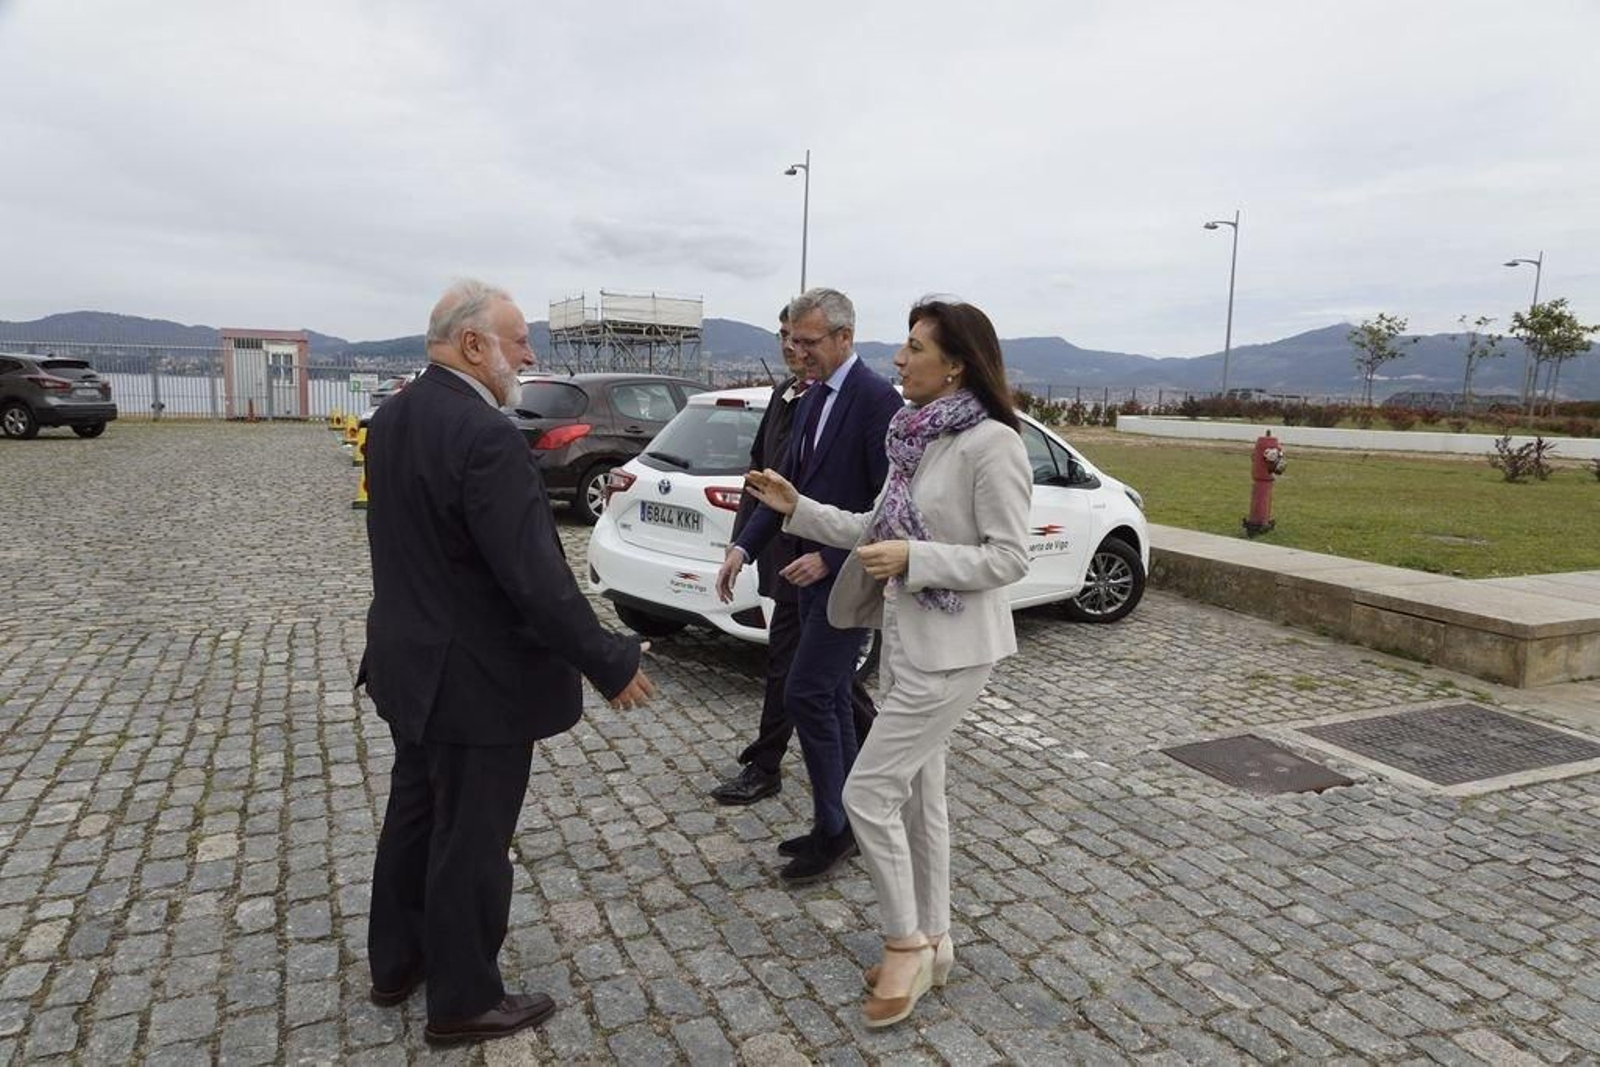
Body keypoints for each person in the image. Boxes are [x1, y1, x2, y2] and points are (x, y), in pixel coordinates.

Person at [358, 279, 654, 1046]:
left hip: (408, 662)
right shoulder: (486, 435)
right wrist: (609, 661)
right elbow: (535, 579)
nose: (530, 353)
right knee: (471, 840)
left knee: (415, 814)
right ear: (472, 345)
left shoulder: (391, 417)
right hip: (474, 681)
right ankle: (461, 999)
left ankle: (396, 963)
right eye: (518, 339)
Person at [743, 297, 1031, 1028]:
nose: (898, 359)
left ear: (956, 364)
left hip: (955, 652)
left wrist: (916, 558)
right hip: (904, 642)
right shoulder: (918, 436)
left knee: (868, 793)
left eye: (913, 348)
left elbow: (1009, 557)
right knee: (917, 797)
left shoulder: (991, 442)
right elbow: (872, 527)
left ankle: (903, 942)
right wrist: (795, 504)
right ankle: (936, 942)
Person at [717, 287, 902, 883]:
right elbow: (784, 487)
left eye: (809, 341)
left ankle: (835, 828)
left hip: (847, 578)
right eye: (791, 340)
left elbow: (887, 510)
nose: (797, 352)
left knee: (808, 694)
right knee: (827, 697)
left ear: (845, 338)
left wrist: (827, 554)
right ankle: (846, 821)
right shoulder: (811, 397)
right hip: (805, 577)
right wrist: (744, 544)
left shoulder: (877, 402)